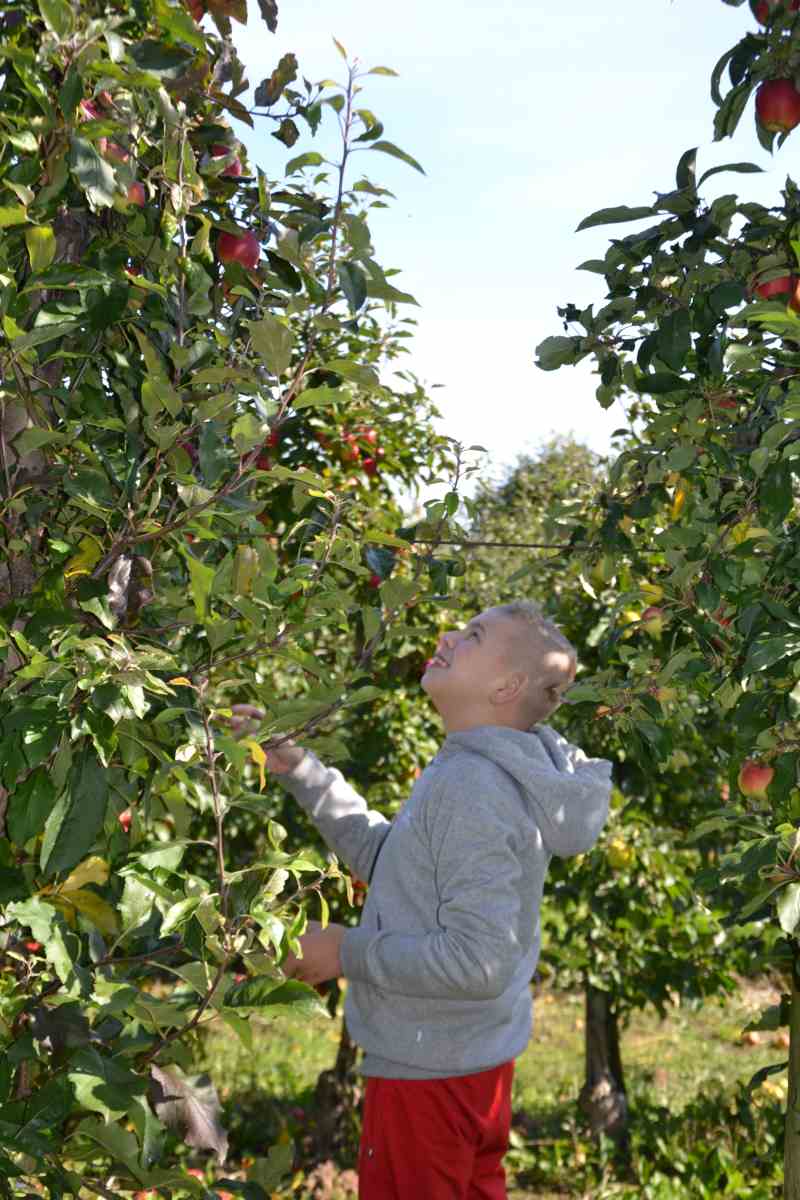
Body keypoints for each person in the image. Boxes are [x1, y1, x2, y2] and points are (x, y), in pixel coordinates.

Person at [246, 601, 612, 1199]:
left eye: (473, 635)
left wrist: (346, 951)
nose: (446, 635)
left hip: (428, 1078)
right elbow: (396, 863)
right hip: (465, 1066)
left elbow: (479, 960)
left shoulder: (474, 787)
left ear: (505, 686)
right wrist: (302, 771)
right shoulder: (475, 769)